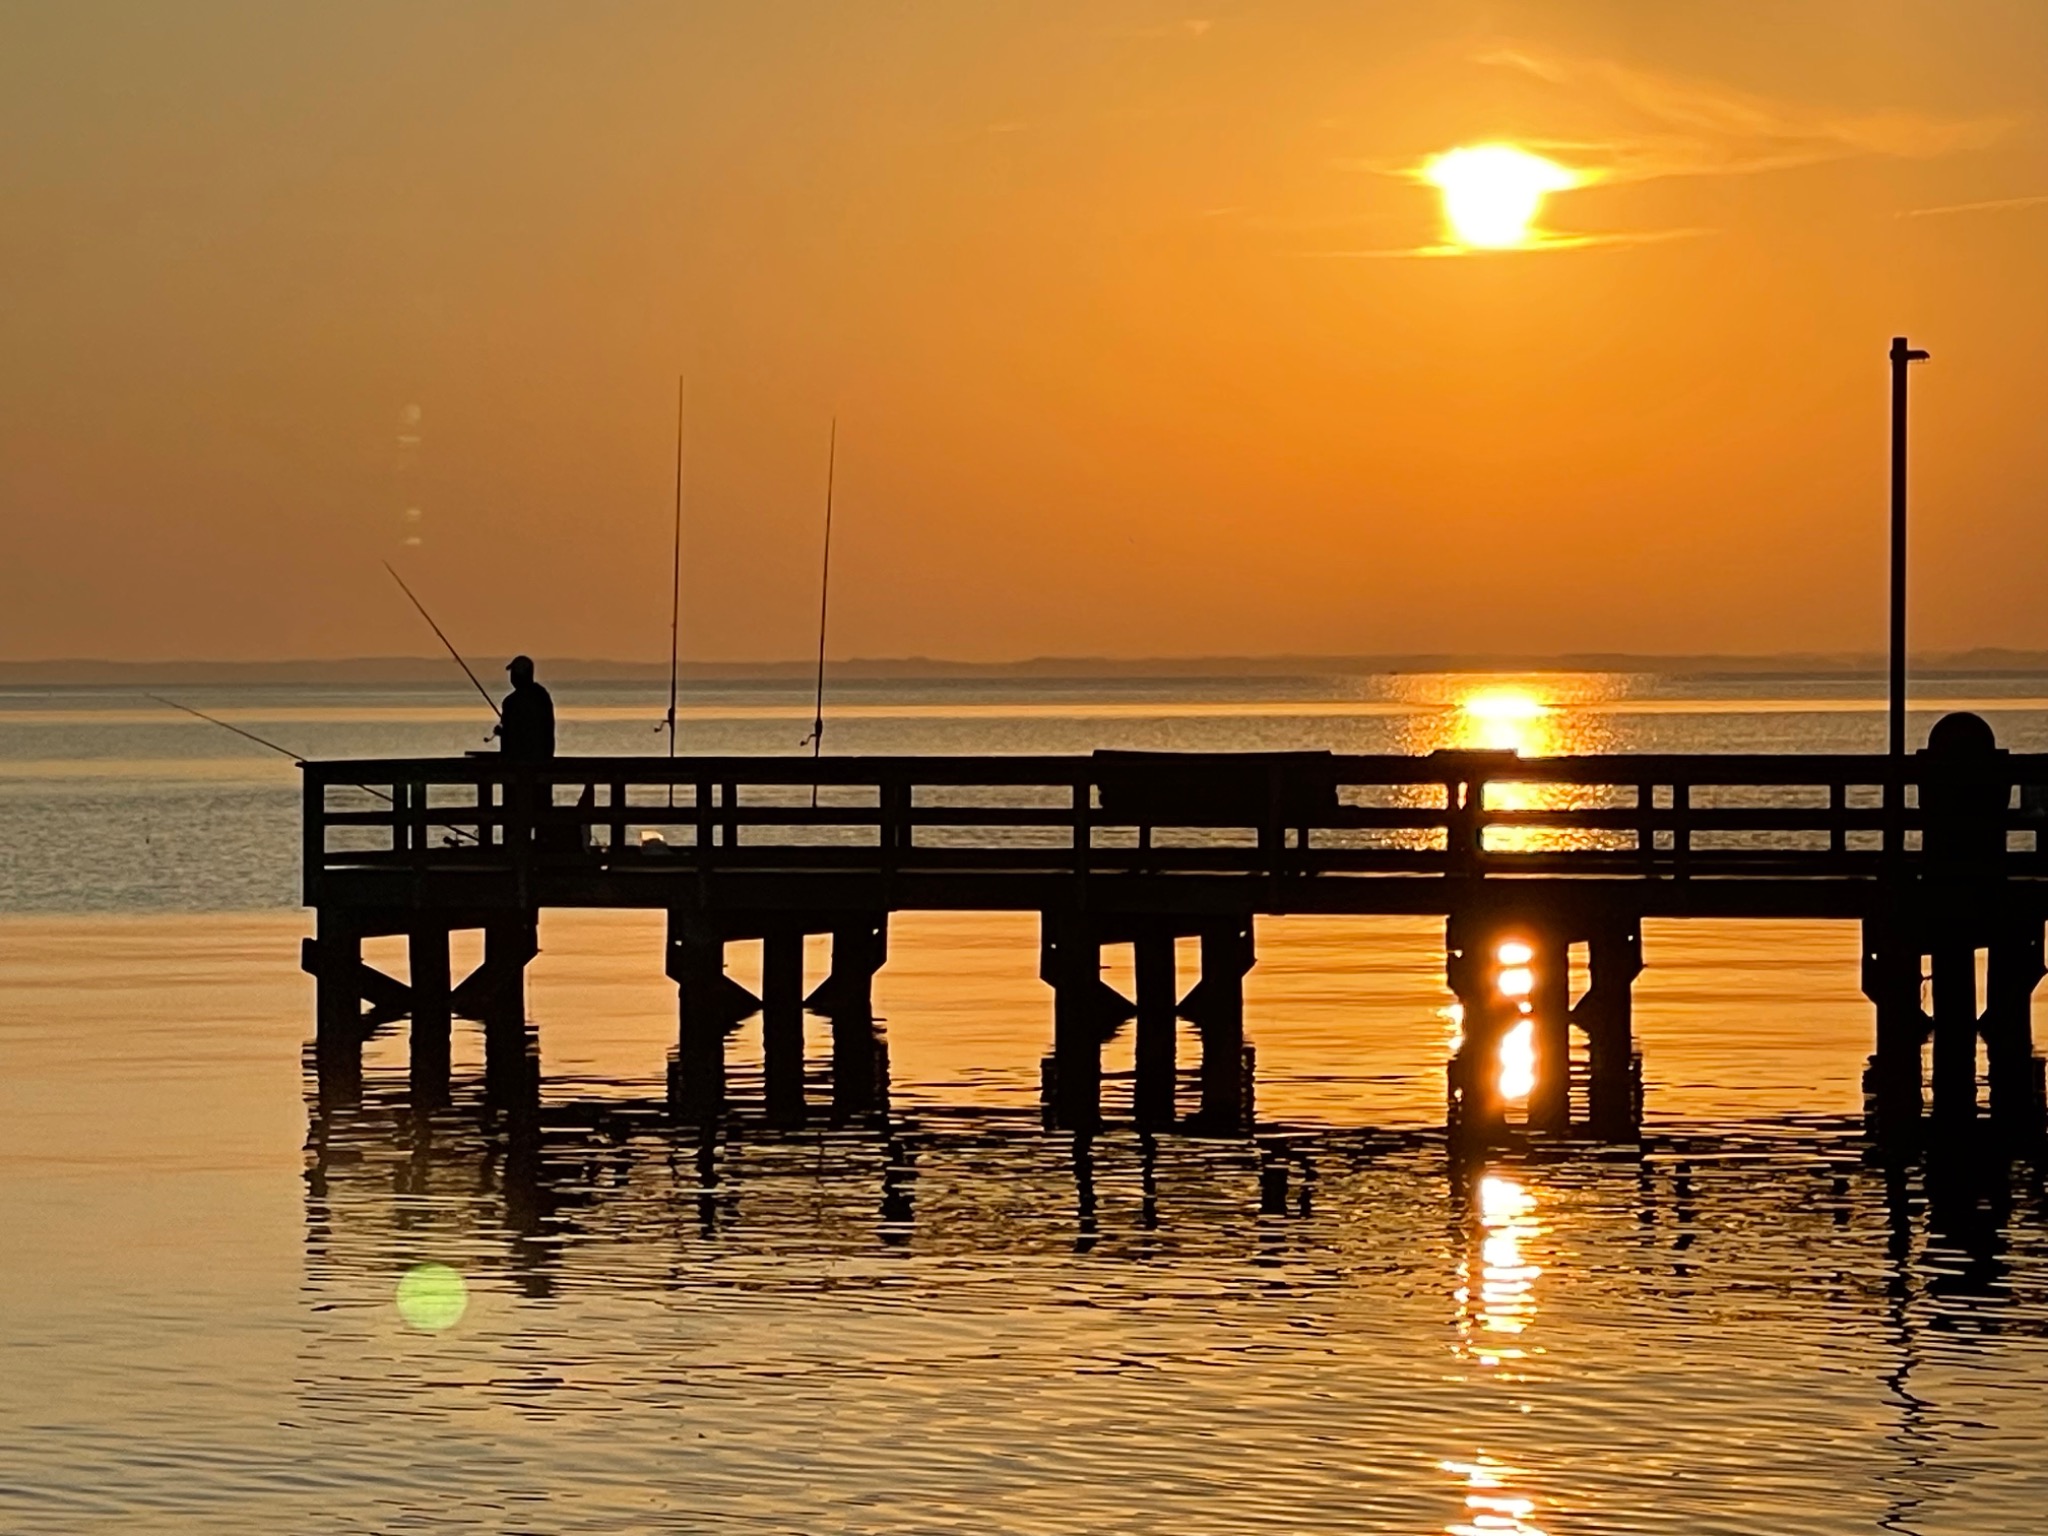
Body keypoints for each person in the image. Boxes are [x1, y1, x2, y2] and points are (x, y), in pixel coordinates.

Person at [498, 655, 555, 762]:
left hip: (518, 760)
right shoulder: (542, 696)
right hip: (542, 757)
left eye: (513, 673)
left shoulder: (511, 702)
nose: (511, 677)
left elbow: (513, 734)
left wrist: (502, 731)